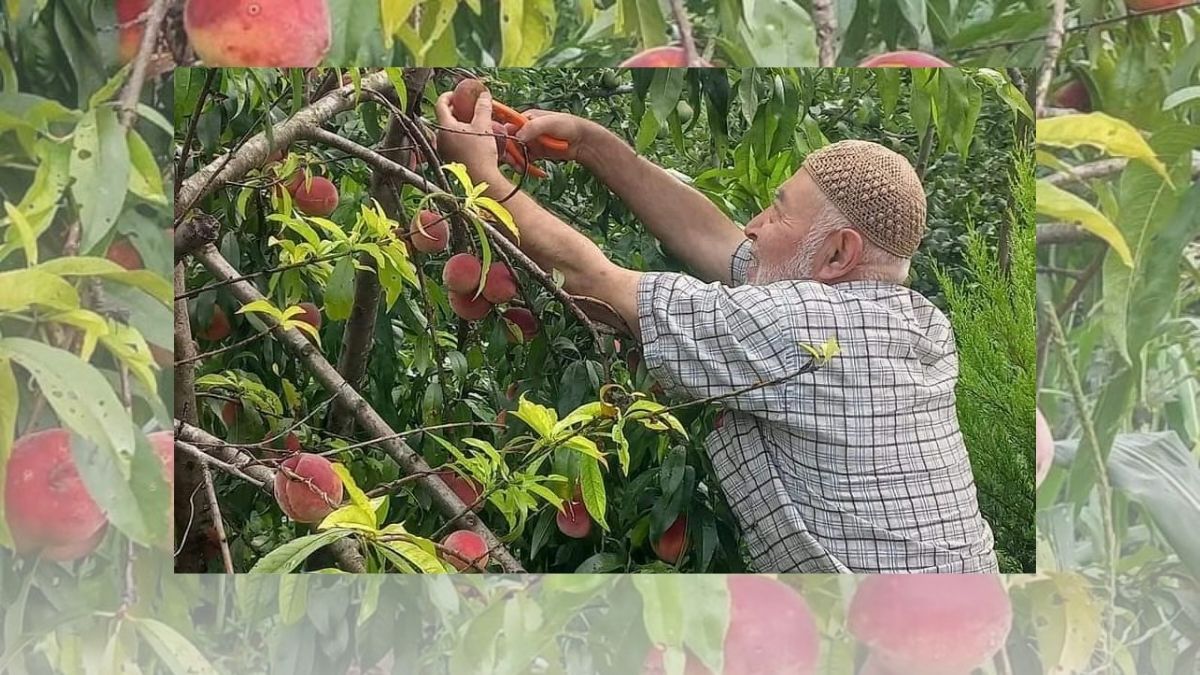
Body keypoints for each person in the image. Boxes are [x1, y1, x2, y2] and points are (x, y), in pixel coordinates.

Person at [433, 89, 1000, 574]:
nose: (754, 227)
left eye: (776, 213)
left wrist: (478, 176)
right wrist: (589, 144)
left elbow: (594, 282)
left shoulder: (800, 327)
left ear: (836, 252)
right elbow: (716, 240)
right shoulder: (911, 319)